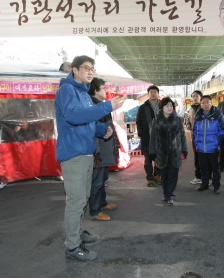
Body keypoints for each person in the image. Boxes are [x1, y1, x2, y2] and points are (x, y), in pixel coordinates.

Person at [55, 55, 125, 262]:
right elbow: (74, 116)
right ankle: (72, 246)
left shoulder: (83, 93)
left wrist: (101, 128)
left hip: (85, 153)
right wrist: (107, 107)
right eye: (86, 67)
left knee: (83, 197)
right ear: (73, 69)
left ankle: (78, 233)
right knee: (76, 201)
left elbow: (84, 121)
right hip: (74, 154)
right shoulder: (67, 90)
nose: (90, 71)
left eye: (92, 68)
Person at [87, 77, 119, 221]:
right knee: (97, 182)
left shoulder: (101, 106)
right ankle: (94, 210)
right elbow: (93, 131)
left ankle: (102, 203)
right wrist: (97, 154)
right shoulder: (93, 108)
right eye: (103, 88)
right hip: (98, 152)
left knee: (103, 179)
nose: (106, 91)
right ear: (95, 90)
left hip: (104, 151)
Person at [149, 97, 188, 206]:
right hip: (161, 152)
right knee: (164, 175)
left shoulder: (178, 119)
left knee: (173, 175)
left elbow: (182, 136)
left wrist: (184, 149)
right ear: (162, 107)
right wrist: (152, 152)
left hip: (175, 152)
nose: (169, 107)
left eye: (171, 105)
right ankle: (166, 194)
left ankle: (171, 195)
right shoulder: (156, 120)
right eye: (167, 105)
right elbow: (152, 137)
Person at [193, 95, 224, 194]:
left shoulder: (219, 115)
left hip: (213, 147)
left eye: (208, 102)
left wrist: (217, 141)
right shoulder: (198, 116)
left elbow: (223, 130)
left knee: (215, 167)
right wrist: (195, 141)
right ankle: (205, 184)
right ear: (201, 104)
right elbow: (194, 131)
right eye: (203, 102)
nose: (206, 104)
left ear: (211, 103)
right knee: (203, 167)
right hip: (201, 147)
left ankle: (216, 186)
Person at [136, 85, 161, 187]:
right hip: (147, 137)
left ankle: (157, 175)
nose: (153, 93)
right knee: (148, 159)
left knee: (159, 157)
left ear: (158, 93)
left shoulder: (163, 106)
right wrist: (141, 134)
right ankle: (149, 177)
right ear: (148, 94)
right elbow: (139, 122)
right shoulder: (143, 107)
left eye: (155, 91)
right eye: (151, 92)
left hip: (160, 137)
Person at [186, 90, 204, 185]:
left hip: (205, 136)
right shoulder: (191, 108)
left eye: (197, 96)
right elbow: (188, 119)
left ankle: (207, 177)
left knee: (205, 156)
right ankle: (198, 176)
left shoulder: (205, 107)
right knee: (196, 156)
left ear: (201, 97)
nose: (195, 98)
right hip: (194, 135)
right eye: (193, 96)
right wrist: (188, 124)